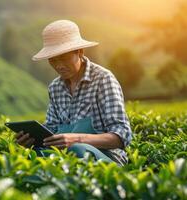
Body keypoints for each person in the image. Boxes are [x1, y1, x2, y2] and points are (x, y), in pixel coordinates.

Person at [15, 20, 132, 166]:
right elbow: (51, 129)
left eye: (63, 58)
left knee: (77, 149)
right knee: (31, 157)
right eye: (52, 60)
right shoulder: (55, 88)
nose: (59, 66)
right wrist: (31, 141)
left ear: (79, 52)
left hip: (108, 157)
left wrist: (76, 139)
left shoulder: (103, 79)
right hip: (67, 158)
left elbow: (122, 135)